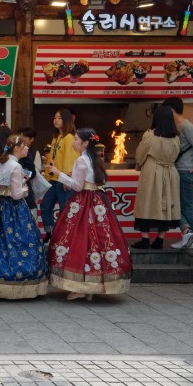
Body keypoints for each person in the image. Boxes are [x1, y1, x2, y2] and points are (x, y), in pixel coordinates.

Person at [47, 128, 131, 300]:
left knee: (79, 239)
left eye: (76, 139)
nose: (73, 141)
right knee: (99, 240)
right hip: (98, 201)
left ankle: (80, 287)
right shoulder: (95, 159)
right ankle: (92, 285)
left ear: (85, 143)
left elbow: (77, 186)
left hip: (83, 201)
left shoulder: (81, 161)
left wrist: (59, 174)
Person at [0, 134, 48, 299]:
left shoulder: (0, 164)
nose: (27, 148)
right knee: (21, 239)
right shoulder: (16, 167)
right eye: (25, 146)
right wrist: (25, 188)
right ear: (17, 148)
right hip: (15, 209)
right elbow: (17, 195)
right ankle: (23, 280)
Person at [162, 97, 193, 250]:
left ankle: (191, 238)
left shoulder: (186, 126)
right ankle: (190, 238)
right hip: (183, 171)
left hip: (186, 171)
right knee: (181, 205)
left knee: (184, 206)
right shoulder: (180, 126)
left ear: (171, 110)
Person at [132, 107, 181, 250]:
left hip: (152, 171)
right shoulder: (176, 137)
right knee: (166, 206)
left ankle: (145, 239)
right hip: (170, 172)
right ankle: (159, 240)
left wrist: (139, 165)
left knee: (146, 204)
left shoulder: (150, 135)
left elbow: (139, 155)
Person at [41, 109, 78, 241]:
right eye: (55, 118)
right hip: (53, 179)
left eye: (59, 118)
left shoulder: (69, 138)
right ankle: (50, 234)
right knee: (45, 205)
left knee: (65, 209)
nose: (55, 120)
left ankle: (65, 236)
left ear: (66, 120)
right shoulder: (57, 137)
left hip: (62, 179)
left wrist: (66, 180)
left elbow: (69, 159)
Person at [18, 127, 42, 222]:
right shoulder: (13, 156)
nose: (22, 140)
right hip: (19, 192)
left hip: (27, 188)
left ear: (31, 139)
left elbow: (35, 171)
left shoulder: (34, 152)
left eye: (24, 137)